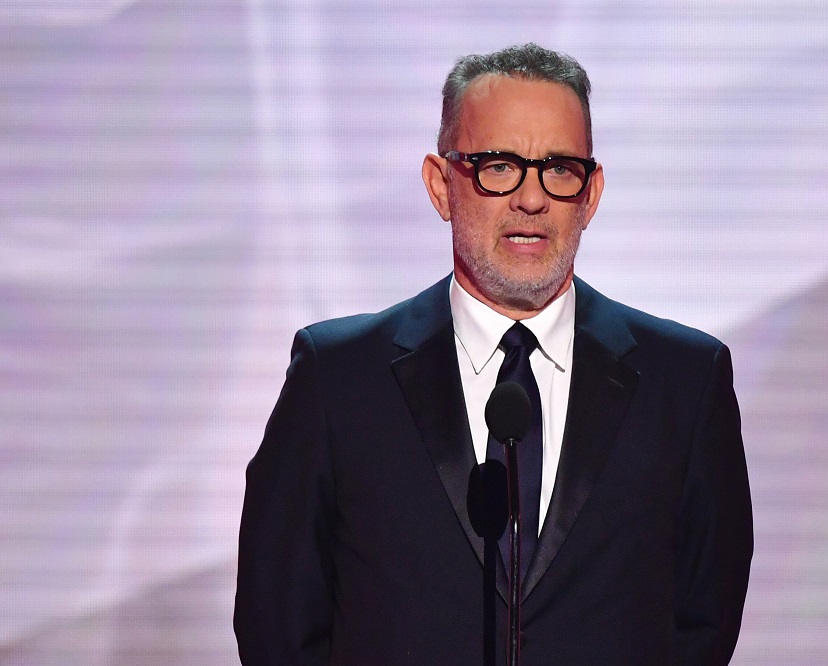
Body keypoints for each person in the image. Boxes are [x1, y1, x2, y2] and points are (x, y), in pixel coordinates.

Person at [234, 43, 753, 665]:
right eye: (499, 165)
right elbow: (279, 629)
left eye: (559, 168)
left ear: (590, 195)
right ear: (440, 185)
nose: (531, 199)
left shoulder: (686, 384)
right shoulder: (338, 379)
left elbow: (703, 624)